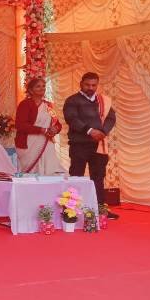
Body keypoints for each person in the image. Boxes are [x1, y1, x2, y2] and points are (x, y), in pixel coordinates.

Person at [63, 72, 118, 219]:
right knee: (76, 176)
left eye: (94, 85)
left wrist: (103, 132)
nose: (91, 88)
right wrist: (89, 131)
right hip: (79, 145)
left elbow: (111, 118)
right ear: (81, 84)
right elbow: (72, 119)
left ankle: (100, 209)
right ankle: (71, 211)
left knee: (98, 178)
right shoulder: (72, 100)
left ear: (97, 85)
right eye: (87, 85)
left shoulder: (103, 101)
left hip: (98, 145)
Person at [15, 78, 65, 175]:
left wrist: (55, 129)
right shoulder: (25, 104)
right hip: (28, 143)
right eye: (38, 86)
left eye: (43, 86)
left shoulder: (48, 105)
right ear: (30, 90)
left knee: (49, 171)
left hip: (46, 143)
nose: (42, 88)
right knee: (31, 175)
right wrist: (42, 130)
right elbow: (20, 125)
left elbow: (57, 123)